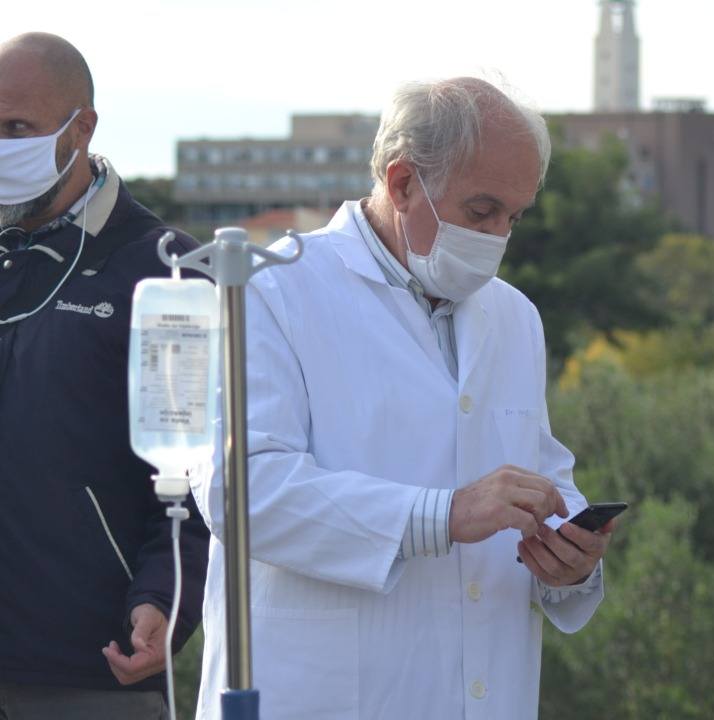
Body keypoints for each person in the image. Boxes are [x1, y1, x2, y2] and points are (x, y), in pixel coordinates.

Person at [191, 77, 614, 720]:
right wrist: (441, 515)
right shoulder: (271, 289)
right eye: (481, 211)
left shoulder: (514, 317)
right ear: (402, 182)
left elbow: (542, 476)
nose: (498, 236)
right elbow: (239, 490)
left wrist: (569, 558)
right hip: (317, 698)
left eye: (514, 217)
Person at [0, 32, 210, 719]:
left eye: (16, 128)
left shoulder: (165, 273)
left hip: (92, 669)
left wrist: (165, 601)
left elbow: (197, 476)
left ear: (81, 127)